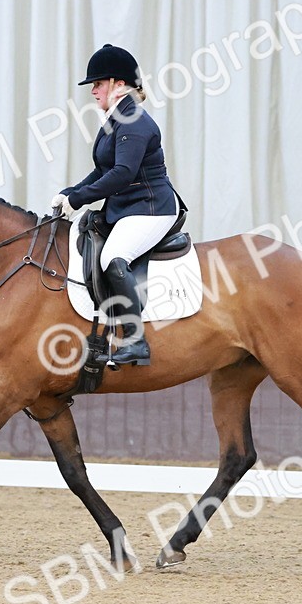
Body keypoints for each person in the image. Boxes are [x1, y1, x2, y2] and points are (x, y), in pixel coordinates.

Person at [50, 44, 181, 367]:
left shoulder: (134, 121)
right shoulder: (116, 120)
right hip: (129, 207)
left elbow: (123, 173)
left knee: (112, 257)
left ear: (119, 84)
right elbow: (102, 171)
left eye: (98, 84)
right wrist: (71, 193)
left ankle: (135, 341)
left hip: (152, 208)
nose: (93, 91)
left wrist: (79, 199)